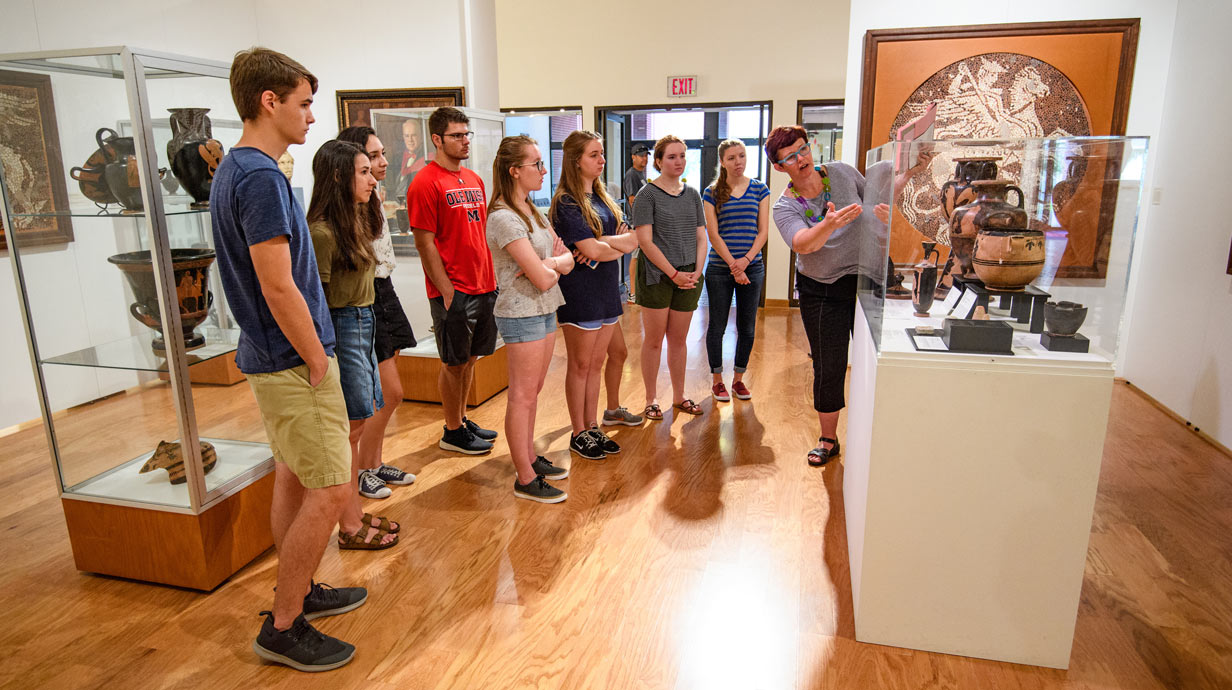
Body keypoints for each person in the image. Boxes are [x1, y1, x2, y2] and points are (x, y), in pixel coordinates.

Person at [211, 47, 366, 672]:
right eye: (303, 104)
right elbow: (278, 283)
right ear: (268, 101)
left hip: (273, 356)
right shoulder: (258, 177)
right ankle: (282, 624)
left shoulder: (239, 168)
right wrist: (316, 357)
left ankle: (298, 591)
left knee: (294, 477)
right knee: (331, 489)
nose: (310, 117)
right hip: (292, 359)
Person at [305, 140, 401, 552]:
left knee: (360, 421)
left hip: (363, 320)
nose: (372, 177)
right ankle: (348, 523)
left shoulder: (355, 222)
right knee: (350, 427)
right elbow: (317, 302)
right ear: (340, 177)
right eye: (363, 171)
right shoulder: (323, 233)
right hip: (343, 327)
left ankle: (353, 513)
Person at [767, 125, 865, 467]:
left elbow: (876, 198)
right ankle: (828, 439)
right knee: (829, 363)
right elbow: (802, 244)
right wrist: (829, 224)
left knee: (872, 362)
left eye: (803, 149)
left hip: (865, 280)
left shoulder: (841, 173)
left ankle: (876, 431)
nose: (801, 158)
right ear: (781, 168)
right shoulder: (784, 207)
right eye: (791, 157)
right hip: (822, 288)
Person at [407, 107, 500, 454]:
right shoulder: (425, 182)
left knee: (471, 358)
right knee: (453, 361)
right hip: (454, 288)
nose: (464, 142)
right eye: (457, 136)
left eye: (466, 135)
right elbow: (424, 242)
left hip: (483, 283)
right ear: (437, 139)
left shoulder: (473, 179)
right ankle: (451, 430)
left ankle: (461, 418)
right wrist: (446, 290)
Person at [486, 135, 574, 502]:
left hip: (544, 306)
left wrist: (550, 263)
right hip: (520, 311)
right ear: (514, 171)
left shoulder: (532, 210)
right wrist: (551, 266)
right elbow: (539, 276)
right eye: (535, 164)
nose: (543, 170)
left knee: (532, 392)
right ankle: (523, 475)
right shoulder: (504, 218)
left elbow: (564, 259)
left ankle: (529, 457)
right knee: (522, 396)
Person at [336, 125, 416, 500]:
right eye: (373, 157)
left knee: (390, 393)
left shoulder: (373, 197)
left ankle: (373, 461)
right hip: (366, 296)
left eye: (382, 155)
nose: (382, 163)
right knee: (386, 393)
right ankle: (361, 470)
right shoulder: (344, 209)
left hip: (383, 289)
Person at [551, 130, 639, 460]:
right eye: (594, 155)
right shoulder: (566, 202)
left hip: (605, 289)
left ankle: (591, 426)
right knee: (581, 365)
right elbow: (592, 248)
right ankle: (578, 432)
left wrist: (602, 246)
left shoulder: (604, 199)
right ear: (576, 161)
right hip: (581, 291)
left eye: (602, 154)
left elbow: (630, 241)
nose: (602, 160)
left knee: (596, 364)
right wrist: (599, 246)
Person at [632, 134, 707, 420]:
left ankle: (679, 396)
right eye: (672, 157)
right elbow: (646, 242)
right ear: (659, 161)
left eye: (682, 156)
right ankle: (651, 399)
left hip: (689, 276)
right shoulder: (647, 195)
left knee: (679, 340)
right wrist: (673, 273)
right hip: (657, 276)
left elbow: (702, 237)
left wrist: (696, 271)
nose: (679, 162)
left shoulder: (692, 195)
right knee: (653, 340)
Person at [702, 139, 770, 402]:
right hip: (720, 268)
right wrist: (734, 264)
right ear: (722, 161)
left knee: (747, 327)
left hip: (752, 268)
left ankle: (738, 380)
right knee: (717, 325)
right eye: (731, 158)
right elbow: (713, 234)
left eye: (741, 156)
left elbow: (763, 230)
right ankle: (717, 380)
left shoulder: (759, 189)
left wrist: (746, 261)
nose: (738, 162)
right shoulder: (711, 192)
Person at [621, 143, 650, 303]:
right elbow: (633, 200)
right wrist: (640, 222)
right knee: (636, 256)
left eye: (646, 155)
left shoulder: (641, 175)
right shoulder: (632, 174)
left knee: (640, 257)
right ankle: (633, 293)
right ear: (633, 157)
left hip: (643, 222)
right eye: (641, 155)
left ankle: (637, 291)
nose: (644, 158)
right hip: (637, 223)